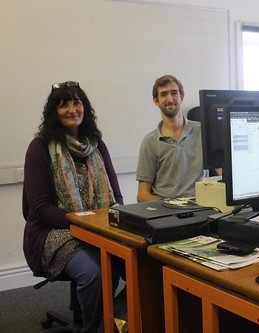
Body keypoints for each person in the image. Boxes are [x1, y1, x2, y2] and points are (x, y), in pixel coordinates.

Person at [23, 81, 124, 333]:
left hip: (98, 228)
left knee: (141, 264)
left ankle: (116, 322)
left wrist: (112, 222)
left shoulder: (97, 145)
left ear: (85, 108)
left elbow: (116, 196)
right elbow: (40, 208)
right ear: (53, 112)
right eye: (63, 104)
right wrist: (85, 224)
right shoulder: (41, 147)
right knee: (97, 274)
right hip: (54, 234)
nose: (71, 109)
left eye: (77, 102)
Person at [136, 74, 207, 202]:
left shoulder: (203, 132)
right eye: (163, 94)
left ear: (182, 97)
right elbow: (142, 195)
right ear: (156, 101)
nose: (170, 99)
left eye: (174, 93)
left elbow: (224, 175)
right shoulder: (150, 142)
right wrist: (168, 206)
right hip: (166, 209)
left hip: (201, 206)